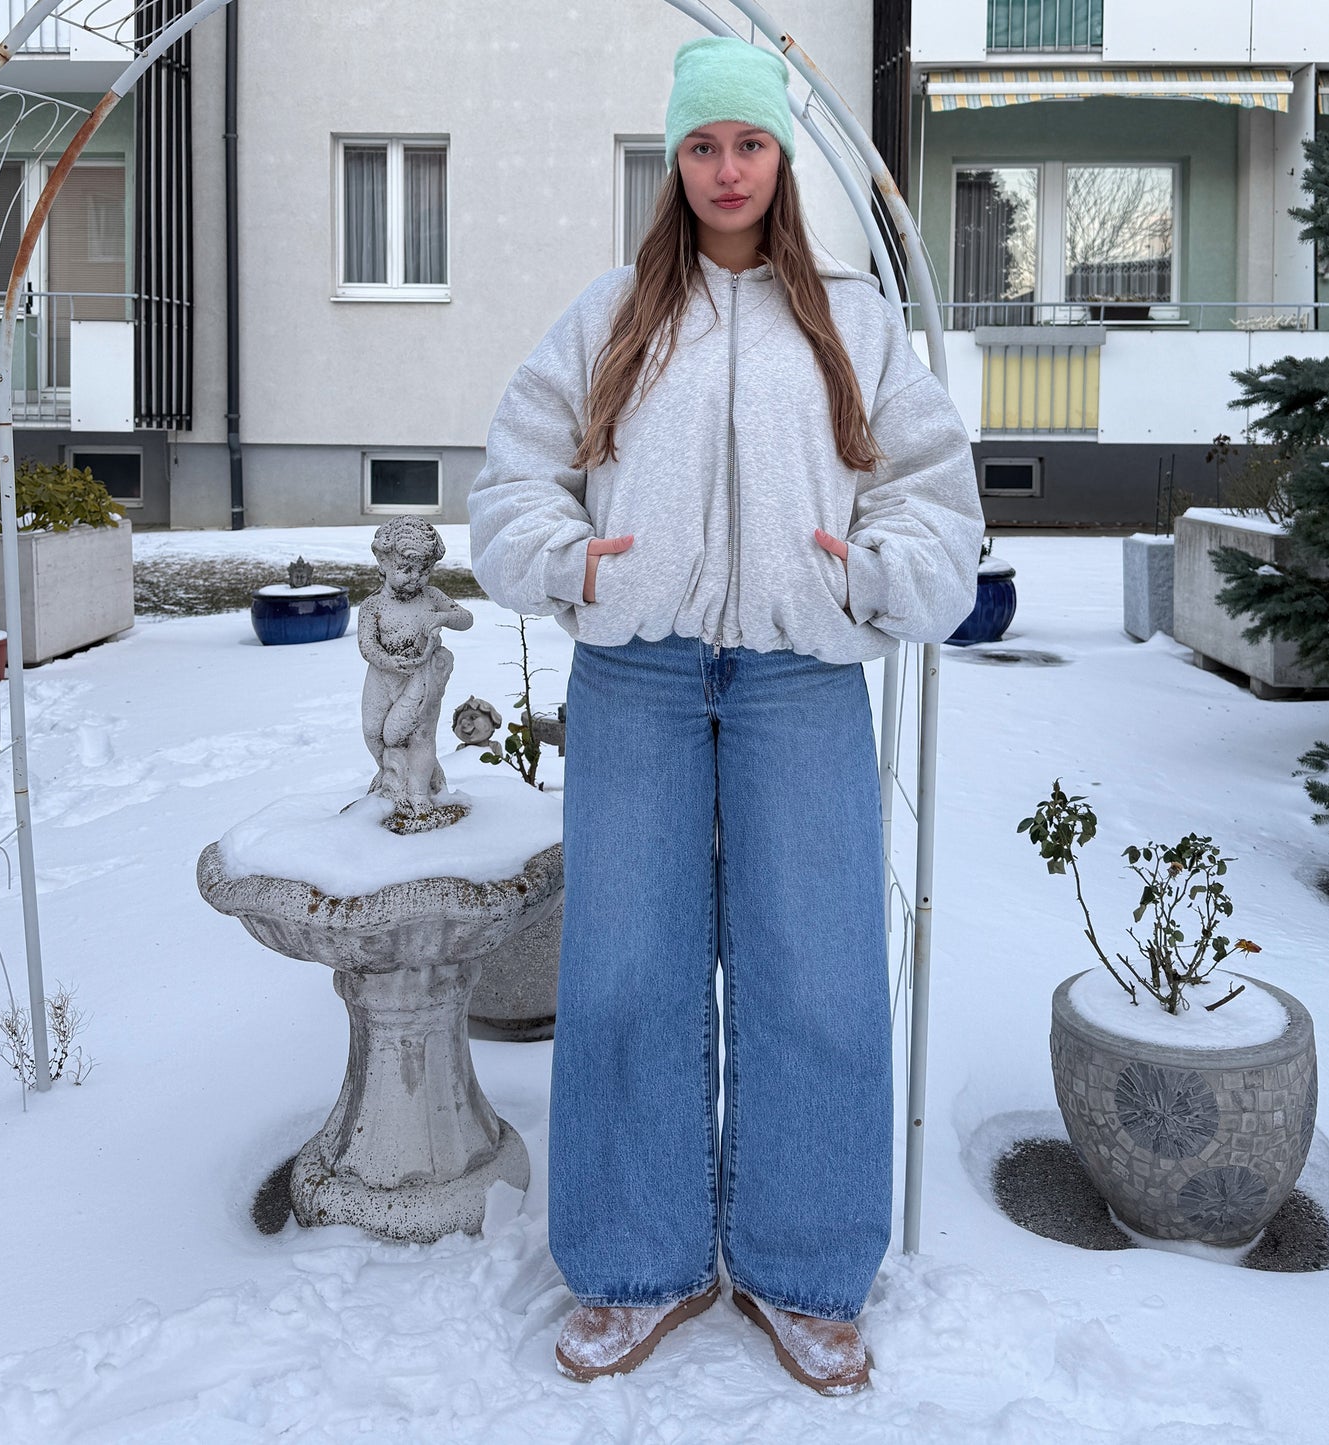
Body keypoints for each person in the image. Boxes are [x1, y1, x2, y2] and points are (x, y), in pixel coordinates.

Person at [468, 35, 982, 1396]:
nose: (726, 169)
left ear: (779, 158)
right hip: (636, 674)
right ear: (672, 162)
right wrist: (571, 561)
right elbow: (512, 480)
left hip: (800, 677)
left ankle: (805, 1271)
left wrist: (872, 573)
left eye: (747, 143)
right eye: (701, 146)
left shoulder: (855, 322)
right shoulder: (611, 316)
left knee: (814, 972)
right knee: (626, 970)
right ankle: (636, 1263)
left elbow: (936, 498)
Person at [359, 515, 472, 810]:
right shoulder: (373, 606)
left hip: (421, 675)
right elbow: (367, 645)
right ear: (383, 563)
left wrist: (444, 617)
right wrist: (388, 661)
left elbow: (466, 619)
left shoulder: (431, 597)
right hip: (383, 676)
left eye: (424, 571)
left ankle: (420, 791)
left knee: (419, 734)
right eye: (405, 569)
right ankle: (389, 775)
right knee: (373, 731)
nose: (415, 578)